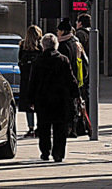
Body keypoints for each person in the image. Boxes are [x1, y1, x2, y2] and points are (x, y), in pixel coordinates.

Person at [25, 32, 79, 163]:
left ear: (43, 46)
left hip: (43, 100)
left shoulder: (38, 61)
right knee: (60, 127)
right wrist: (75, 95)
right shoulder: (63, 60)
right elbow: (71, 80)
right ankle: (58, 153)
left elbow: (33, 82)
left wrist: (30, 99)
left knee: (44, 127)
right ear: (56, 45)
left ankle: (45, 152)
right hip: (61, 100)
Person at [18, 25, 43, 137]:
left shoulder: (23, 46)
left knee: (28, 105)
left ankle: (30, 128)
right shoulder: (41, 48)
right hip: (38, 80)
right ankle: (39, 127)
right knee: (39, 104)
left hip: (25, 80)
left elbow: (19, 61)